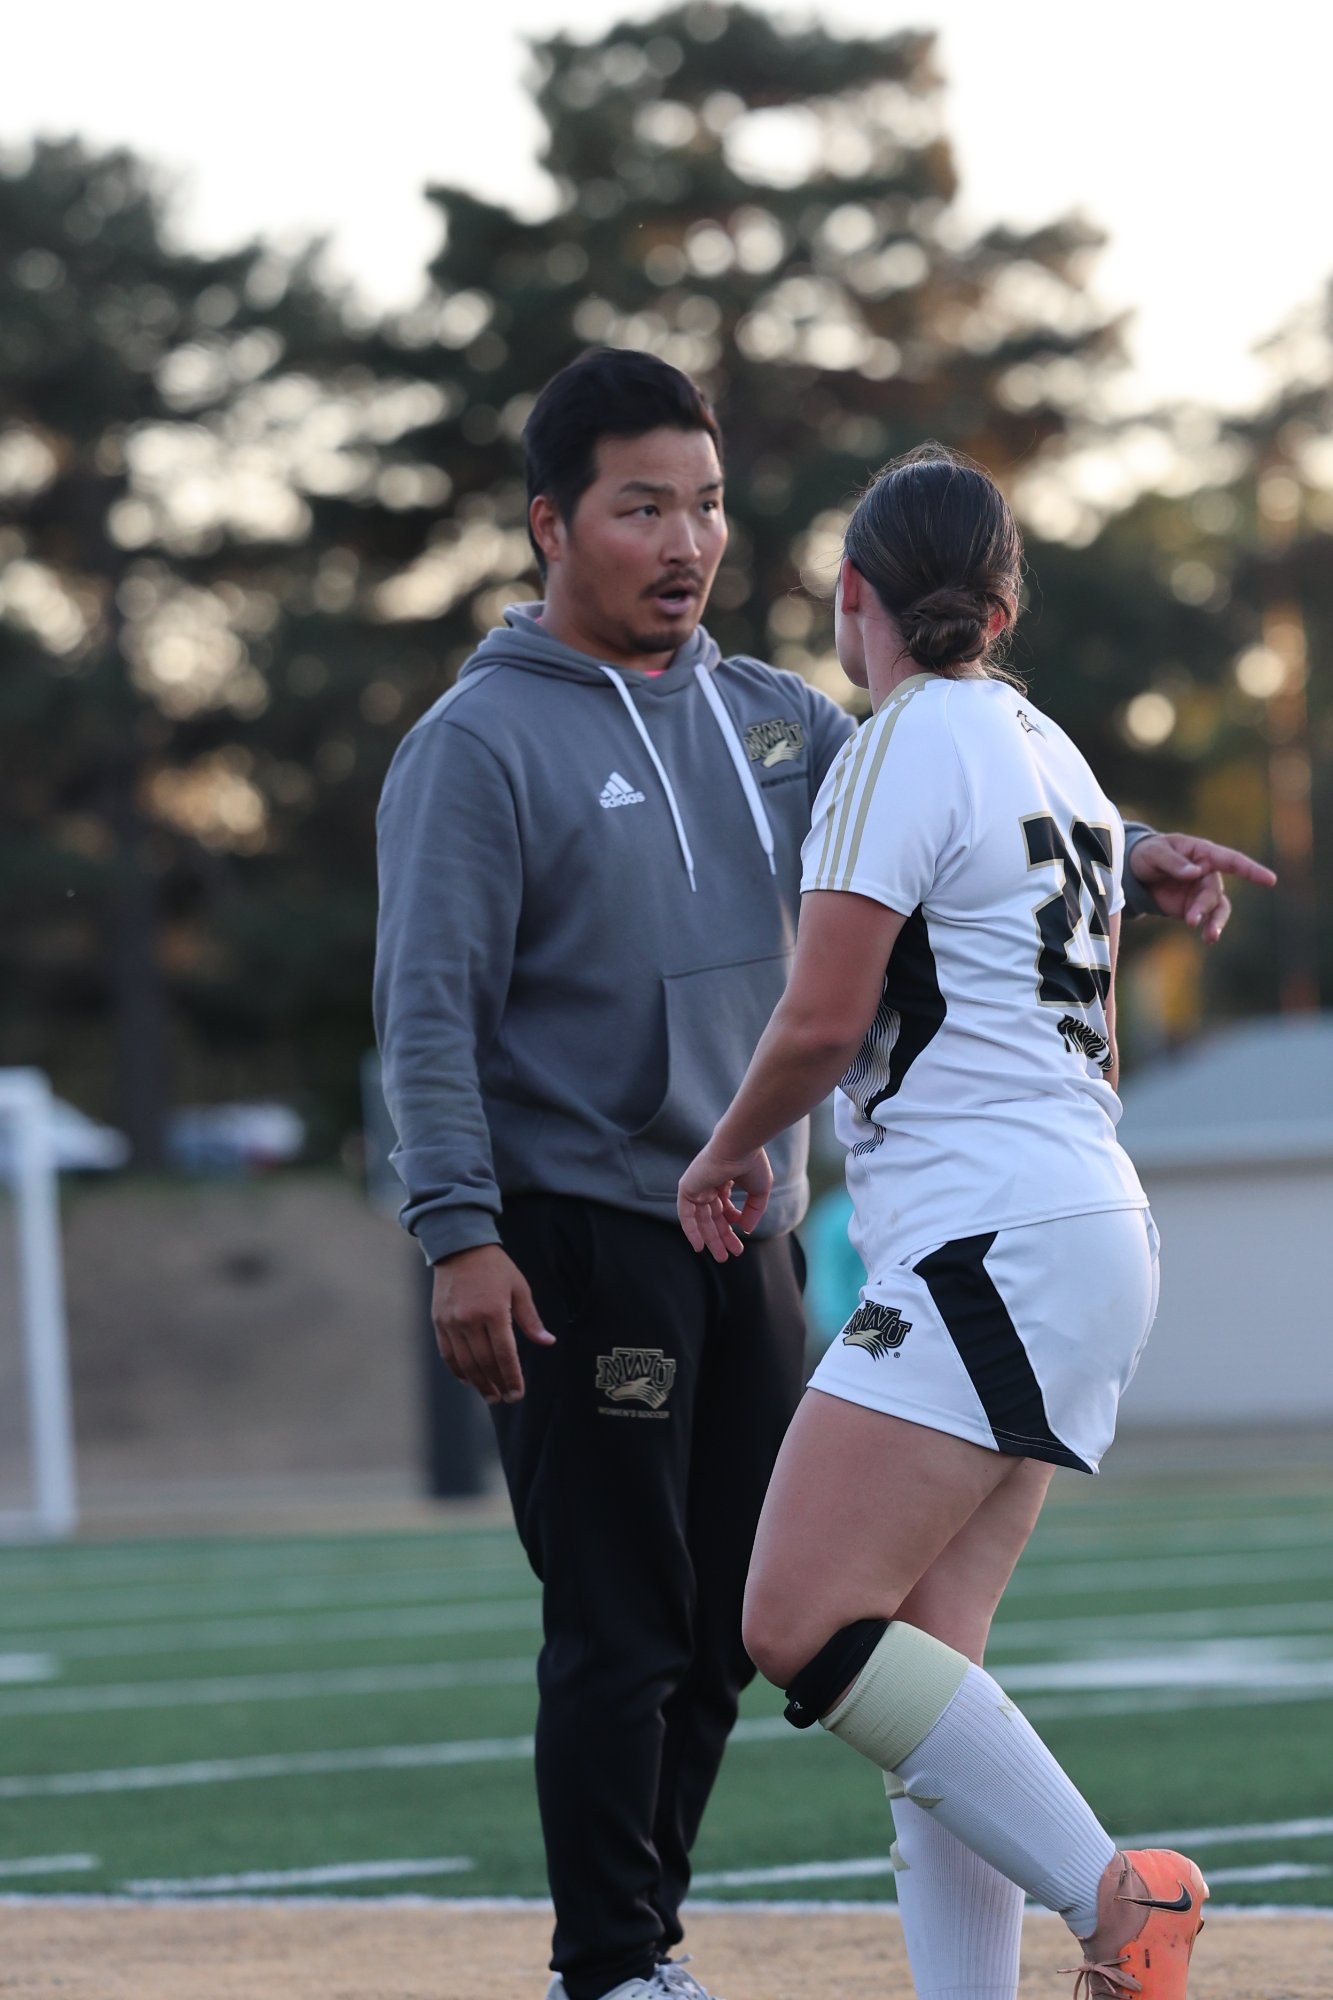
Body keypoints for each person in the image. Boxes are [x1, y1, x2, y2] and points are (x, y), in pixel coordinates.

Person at [374, 351, 1272, 2000]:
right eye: (641, 505)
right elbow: (425, 1011)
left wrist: (1123, 857)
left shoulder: (784, 719)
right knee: (633, 1621)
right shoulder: (474, 743)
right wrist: (456, 1229)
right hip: (586, 1223)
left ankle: (763, 1952)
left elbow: (978, 822)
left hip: (757, 1231)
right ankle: (616, 1963)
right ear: (547, 525)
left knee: (761, 1632)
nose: (684, 540)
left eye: (705, 505)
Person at [678, 446, 1220, 2000]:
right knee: (928, 1676)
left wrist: (724, 1153)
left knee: (794, 1620)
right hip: (1076, 1215)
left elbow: (817, 1020)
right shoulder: (1051, 747)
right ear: (1001, 601)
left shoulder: (900, 742)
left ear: (857, 601)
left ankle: (1118, 1900)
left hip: (989, 1229)